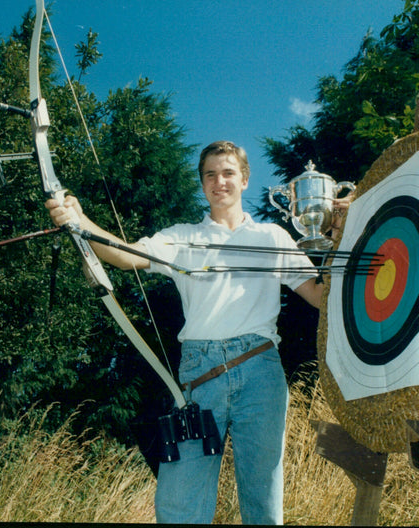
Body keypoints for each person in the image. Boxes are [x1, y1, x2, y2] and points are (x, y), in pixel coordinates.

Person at [45, 140, 347, 524]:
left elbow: (322, 297)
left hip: (260, 370)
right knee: (179, 499)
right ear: (202, 183)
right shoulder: (181, 236)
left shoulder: (272, 237)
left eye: (228, 173)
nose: (219, 181)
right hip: (200, 374)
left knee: (263, 493)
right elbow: (125, 256)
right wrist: (80, 221)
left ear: (245, 179)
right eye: (210, 175)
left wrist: (342, 237)